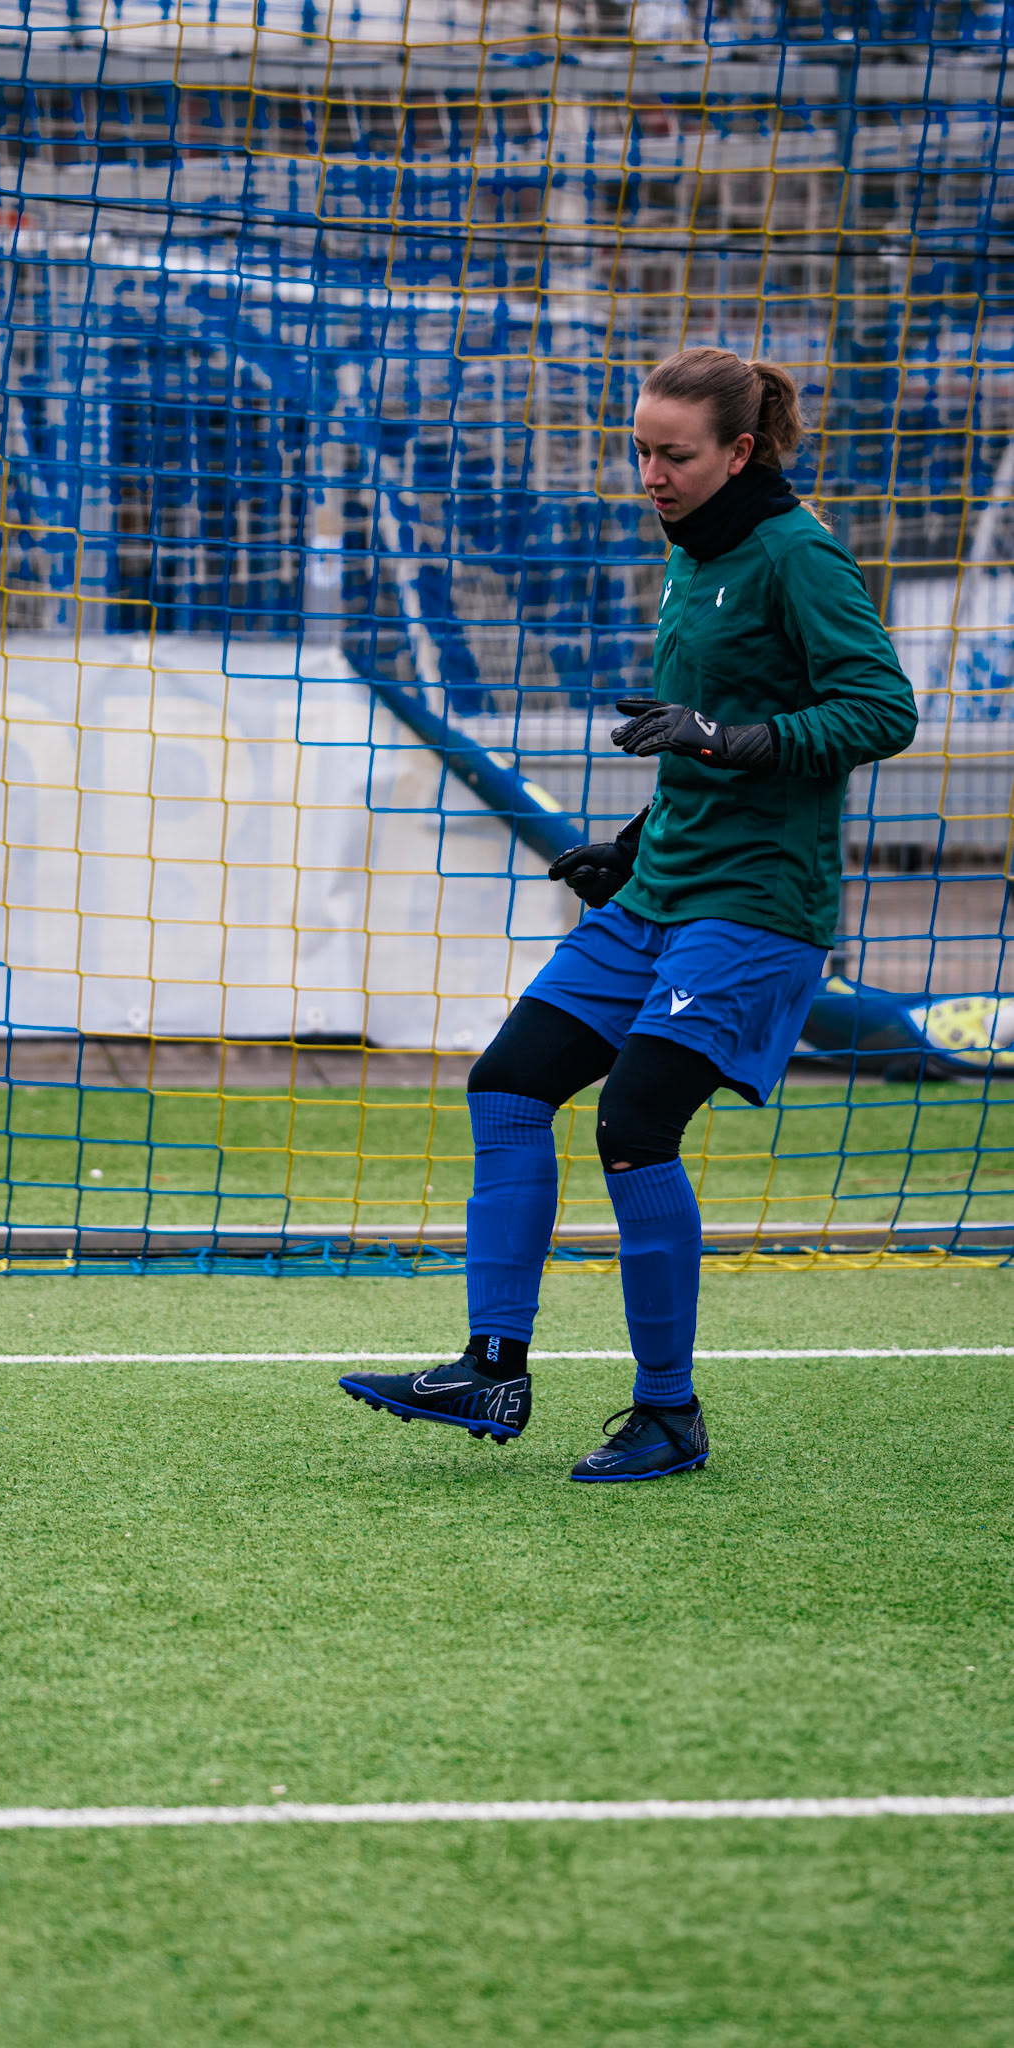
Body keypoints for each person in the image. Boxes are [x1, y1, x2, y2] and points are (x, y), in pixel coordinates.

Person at [339, 346, 917, 1480]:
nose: (649, 472)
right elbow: (708, 741)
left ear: (740, 451)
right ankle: (491, 1365)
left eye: (674, 453)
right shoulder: (690, 552)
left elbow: (880, 708)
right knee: (509, 1083)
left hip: (755, 908)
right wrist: (636, 845)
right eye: (640, 449)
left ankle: (669, 1414)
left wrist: (724, 738)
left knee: (634, 1124)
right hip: (664, 891)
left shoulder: (796, 554)